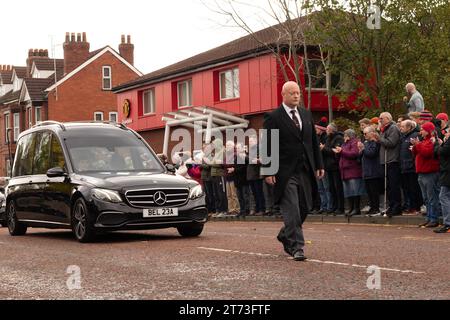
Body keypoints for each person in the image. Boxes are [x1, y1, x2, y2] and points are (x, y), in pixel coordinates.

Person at [263, 81, 324, 261]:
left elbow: (312, 141)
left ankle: (285, 234)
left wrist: (319, 165)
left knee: (305, 207)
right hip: (284, 172)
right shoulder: (273, 117)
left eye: (298, 93)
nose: (296, 96)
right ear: (284, 95)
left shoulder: (305, 114)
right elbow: (268, 144)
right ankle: (297, 247)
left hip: (305, 169)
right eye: (292, 93)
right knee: (292, 210)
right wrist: (269, 170)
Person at [411, 122, 441, 228]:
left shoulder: (432, 141)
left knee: (432, 197)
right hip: (422, 173)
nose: (421, 131)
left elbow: (427, 153)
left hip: (430, 173)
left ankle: (434, 218)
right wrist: (415, 146)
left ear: (428, 131)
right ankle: (429, 218)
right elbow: (417, 153)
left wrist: (417, 145)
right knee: (426, 198)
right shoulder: (424, 141)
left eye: (423, 129)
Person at [334, 129, 365, 216]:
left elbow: (354, 154)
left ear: (349, 135)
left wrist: (342, 151)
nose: (344, 137)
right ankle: (351, 208)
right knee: (348, 191)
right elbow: (343, 154)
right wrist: (338, 152)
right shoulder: (345, 143)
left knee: (355, 190)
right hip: (345, 170)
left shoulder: (355, 142)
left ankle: (356, 208)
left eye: (345, 135)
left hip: (353, 169)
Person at [379, 112, 402, 216]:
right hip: (385, 160)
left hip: (392, 160)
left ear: (388, 118)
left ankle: (396, 206)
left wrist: (379, 138)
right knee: (388, 186)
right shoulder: (384, 129)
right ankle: (391, 205)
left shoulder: (393, 128)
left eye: (381, 118)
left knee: (394, 185)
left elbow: (391, 143)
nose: (380, 120)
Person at [358, 127, 383, 216]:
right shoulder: (366, 143)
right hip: (366, 171)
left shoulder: (375, 143)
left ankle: (376, 208)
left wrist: (363, 149)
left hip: (374, 171)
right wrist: (360, 150)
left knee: (374, 191)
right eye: (363, 134)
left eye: (365, 133)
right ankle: (372, 207)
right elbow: (360, 157)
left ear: (372, 133)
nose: (364, 135)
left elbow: (371, 154)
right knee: (369, 192)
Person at [399, 120, 423, 214]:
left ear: (409, 127)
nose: (401, 128)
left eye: (403, 127)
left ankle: (415, 207)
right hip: (404, 166)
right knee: (407, 188)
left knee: (413, 188)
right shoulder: (403, 137)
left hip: (411, 166)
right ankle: (410, 206)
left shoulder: (415, 135)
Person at [322, 123, 345, 215]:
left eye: (327, 129)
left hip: (335, 166)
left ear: (332, 130)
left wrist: (324, 148)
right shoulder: (327, 138)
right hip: (328, 166)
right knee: (331, 188)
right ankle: (334, 206)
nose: (326, 131)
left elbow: (335, 152)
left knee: (338, 187)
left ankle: (341, 207)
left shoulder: (338, 138)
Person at [435, 130, 450, 233]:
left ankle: (448, 223)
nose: (445, 133)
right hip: (446, 171)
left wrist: (440, 144)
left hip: (447, 172)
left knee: (443, 196)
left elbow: (441, 151)